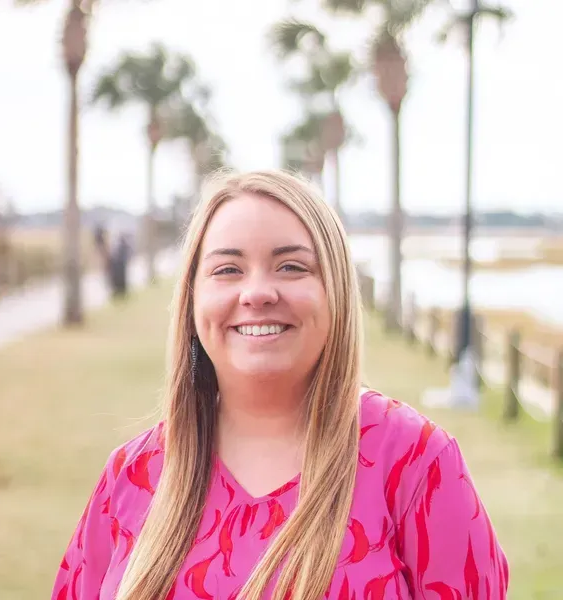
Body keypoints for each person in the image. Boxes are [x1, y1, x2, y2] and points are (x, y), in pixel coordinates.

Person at [51, 170, 508, 600]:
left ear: (337, 292)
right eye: (227, 270)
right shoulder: (132, 476)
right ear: (192, 300)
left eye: (291, 267)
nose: (258, 292)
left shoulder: (415, 461)